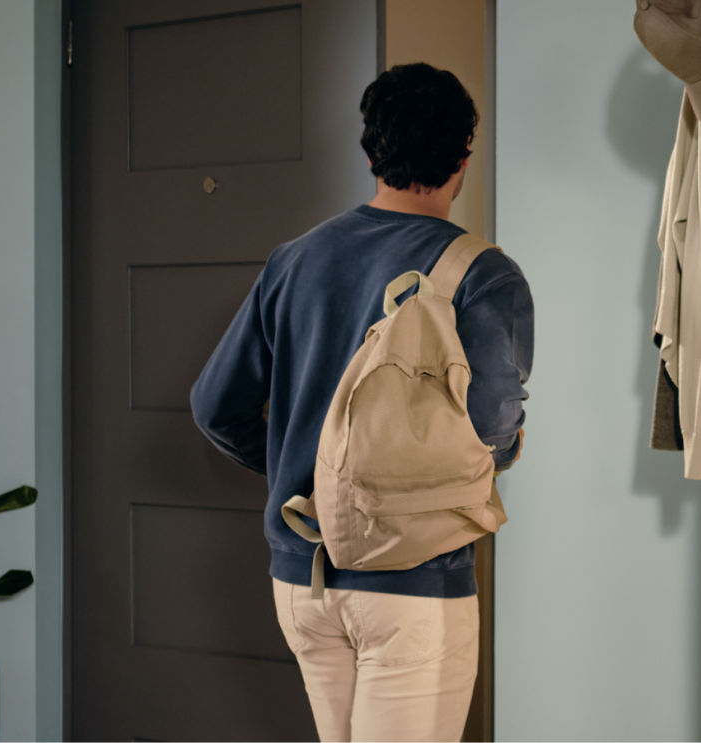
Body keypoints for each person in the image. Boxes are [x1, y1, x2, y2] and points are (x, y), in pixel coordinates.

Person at [190, 62, 533, 743]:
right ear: (463, 158)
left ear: (371, 151)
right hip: (411, 586)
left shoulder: (293, 259)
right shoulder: (483, 273)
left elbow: (213, 405)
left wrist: (321, 474)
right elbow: (492, 431)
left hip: (303, 582)